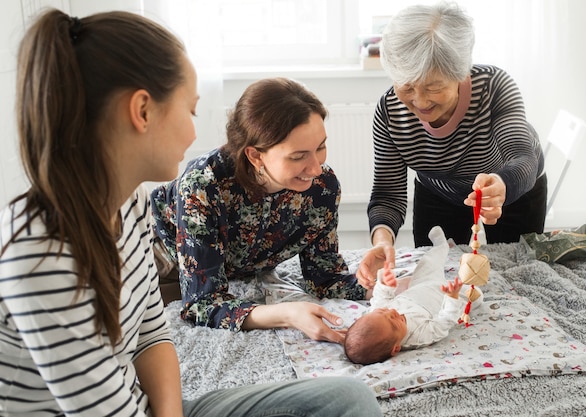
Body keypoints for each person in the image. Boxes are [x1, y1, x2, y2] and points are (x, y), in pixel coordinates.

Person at [0, 9, 383, 417]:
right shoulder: (40, 256)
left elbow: (150, 337)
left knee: (349, 400)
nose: (195, 133)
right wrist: (283, 314)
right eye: (191, 110)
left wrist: (378, 285)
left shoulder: (128, 206)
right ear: (142, 111)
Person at [151, 77, 371, 344]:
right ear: (255, 156)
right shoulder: (203, 184)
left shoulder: (321, 187)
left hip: (238, 272)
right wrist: (287, 314)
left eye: (321, 147)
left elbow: (325, 277)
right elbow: (201, 304)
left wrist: (380, 287)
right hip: (164, 263)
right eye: (298, 156)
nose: (315, 168)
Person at [357, 2, 547, 288]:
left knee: (514, 283)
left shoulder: (495, 87)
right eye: (407, 87)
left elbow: (522, 157)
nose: (419, 101)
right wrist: (382, 240)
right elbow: (387, 194)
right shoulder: (389, 111)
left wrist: (500, 187)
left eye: (433, 87)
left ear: (460, 73)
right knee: (441, 284)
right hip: (439, 195)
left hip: (512, 193)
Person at [345, 226, 482, 365]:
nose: (392, 311)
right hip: (442, 298)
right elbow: (443, 323)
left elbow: (380, 298)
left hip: (420, 285)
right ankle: (465, 292)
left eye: (383, 311)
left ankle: (442, 246)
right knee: (476, 295)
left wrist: (385, 284)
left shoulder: (378, 315)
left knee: (428, 262)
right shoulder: (418, 336)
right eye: (393, 321)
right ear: (396, 348)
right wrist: (452, 298)